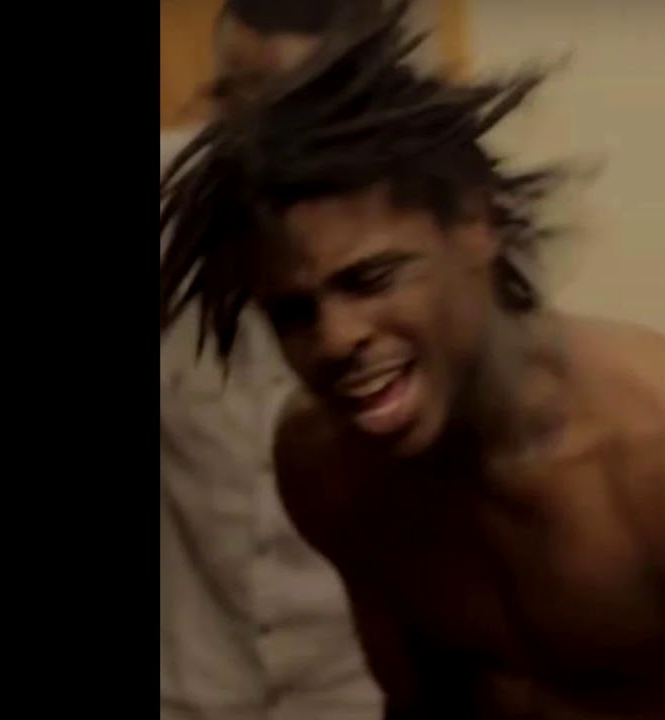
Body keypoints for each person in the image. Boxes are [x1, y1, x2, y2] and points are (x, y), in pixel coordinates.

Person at [160, 3, 665, 718]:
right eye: (293, 313)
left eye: (370, 280)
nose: (336, 337)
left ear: (477, 223)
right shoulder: (326, 468)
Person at [160, 2, 381, 719]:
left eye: (288, 106)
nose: (250, 141)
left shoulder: (424, 234)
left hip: (360, 693)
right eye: (234, 101)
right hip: (191, 690)